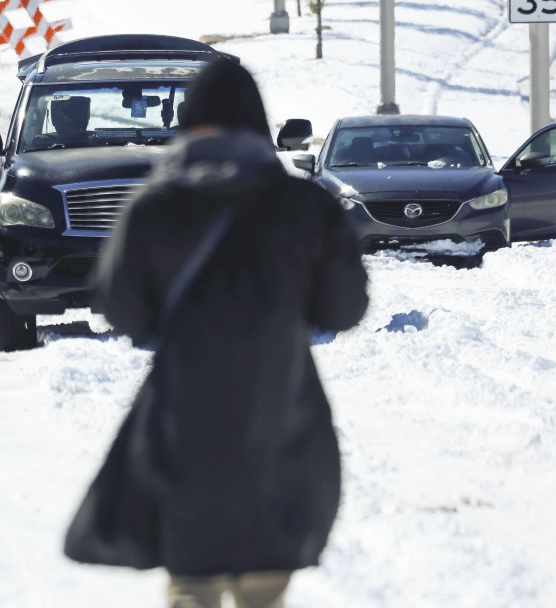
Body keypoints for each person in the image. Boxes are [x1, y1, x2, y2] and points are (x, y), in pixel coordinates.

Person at [64, 58, 369, 608]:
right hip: (283, 420)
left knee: (193, 586)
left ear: (190, 122)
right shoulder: (306, 207)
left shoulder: (155, 207)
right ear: (258, 124)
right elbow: (345, 308)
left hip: (184, 434)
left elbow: (124, 310)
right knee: (262, 590)